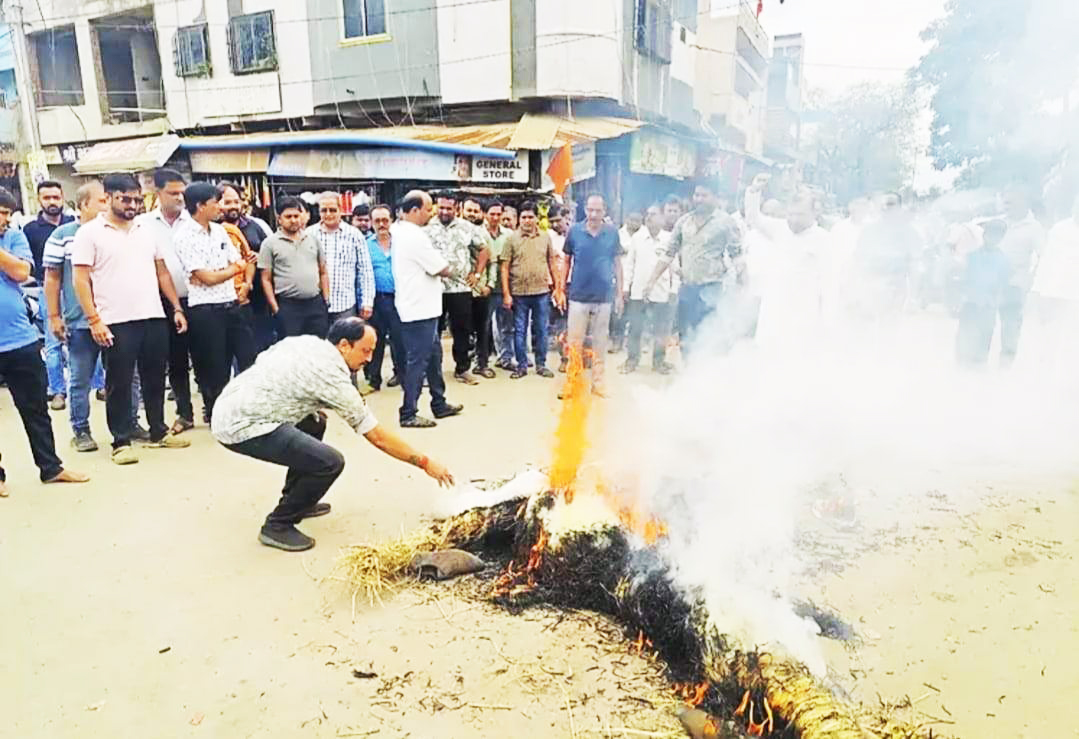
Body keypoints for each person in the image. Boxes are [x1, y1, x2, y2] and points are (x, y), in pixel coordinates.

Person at [211, 317, 455, 551]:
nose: (369, 359)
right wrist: (425, 462)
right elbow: (377, 437)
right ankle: (278, 524)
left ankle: (298, 500)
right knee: (330, 462)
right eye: (365, 351)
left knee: (314, 423)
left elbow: (269, 362)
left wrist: (309, 405)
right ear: (344, 345)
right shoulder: (334, 379)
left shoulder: (308, 342)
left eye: (372, 352)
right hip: (241, 425)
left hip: (231, 404)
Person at [71, 173, 192, 465]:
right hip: (115, 320)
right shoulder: (89, 233)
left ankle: (158, 431)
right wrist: (94, 319)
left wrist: (175, 307)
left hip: (152, 315)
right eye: (125, 199)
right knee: (119, 383)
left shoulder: (145, 230)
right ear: (109, 197)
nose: (132, 205)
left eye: (137, 199)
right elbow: (81, 279)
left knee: (154, 377)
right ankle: (120, 440)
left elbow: (161, 271)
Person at [0, 186, 89, 496]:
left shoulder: (13, 238)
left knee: (36, 408)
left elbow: (22, 272)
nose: (4, 220)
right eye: (0, 214)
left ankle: (51, 468)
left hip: (20, 339)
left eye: (7, 215)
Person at [172, 182, 258, 422]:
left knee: (247, 357)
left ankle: (246, 409)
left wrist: (229, 270)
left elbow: (237, 260)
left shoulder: (220, 230)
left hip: (231, 303)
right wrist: (232, 269)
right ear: (200, 206)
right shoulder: (184, 236)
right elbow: (207, 278)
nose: (220, 207)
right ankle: (217, 414)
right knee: (214, 366)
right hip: (205, 310)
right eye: (215, 202)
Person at [42, 180, 110, 451]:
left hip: (114, 317)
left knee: (125, 376)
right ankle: (80, 430)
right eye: (102, 200)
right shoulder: (62, 235)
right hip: (79, 321)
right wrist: (54, 316)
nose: (107, 205)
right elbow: (52, 278)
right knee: (80, 379)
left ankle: (128, 424)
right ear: (83, 205)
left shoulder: (112, 232)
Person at [646, 184, 744, 361]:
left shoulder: (725, 222)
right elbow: (669, 254)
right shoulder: (684, 221)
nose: (698, 199)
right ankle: (688, 374)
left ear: (715, 197)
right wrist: (651, 281)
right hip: (687, 289)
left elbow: (737, 255)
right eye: (696, 195)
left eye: (703, 195)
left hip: (711, 289)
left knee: (708, 334)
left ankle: (706, 375)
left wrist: (743, 281)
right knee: (685, 334)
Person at [393, 190, 463, 428]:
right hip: (419, 308)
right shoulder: (413, 235)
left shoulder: (402, 231)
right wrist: (459, 269)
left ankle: (439, 403)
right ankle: (408, 412)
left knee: (433, 357)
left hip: (422, 306)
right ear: (414, 210)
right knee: (418, 361)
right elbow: (439, 267)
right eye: (428, 209)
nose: (431, 213)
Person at [138, 168, 196, 431]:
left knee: (206, 358)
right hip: (163, 302)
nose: (179, 198)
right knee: (176, 360)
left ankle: (213, 408)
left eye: (182, 192)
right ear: (158, 193)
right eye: (173, 193)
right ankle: (184, 413)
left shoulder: (194, 220)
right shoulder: (143, 225)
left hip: (198, 298)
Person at [560, 194, 622, 396]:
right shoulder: (575, 231)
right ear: (585, 210)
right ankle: (572, 382)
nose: (593, 214)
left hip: (604, 298)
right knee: (574, 344)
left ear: (604, 211)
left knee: (600, 343)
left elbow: (617, 265)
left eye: (598, 210)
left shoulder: (612, 233)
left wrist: (620, 293)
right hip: (578, 296)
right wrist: (560, 288)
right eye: (590, 210)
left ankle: (598, 383)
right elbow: (566, 261)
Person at [425, 194, 489, 385]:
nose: (445, 211)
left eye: (449, 208)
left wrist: (476, 275)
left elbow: (484, 250)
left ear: (457, 208)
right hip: (433, 287)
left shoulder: (467, 227)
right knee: (432, 330)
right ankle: (431, 372)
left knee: (462, 330)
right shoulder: (426, 227)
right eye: (441, 207)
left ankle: (462, 369)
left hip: (460, 288)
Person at [24, 179, 75, 410]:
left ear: (62, 197)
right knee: (53, 340)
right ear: (39, 200)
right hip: (48, 289)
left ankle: (99, 385)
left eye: (56, 197)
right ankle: (57, 391)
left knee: (84, 336)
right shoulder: (30, 230)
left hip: (76, 287)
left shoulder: (73, 223)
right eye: (47, 198)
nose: (52, 202)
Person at [501, 200, 562, 380]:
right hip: (519, 293)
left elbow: (552, 262)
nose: (527, 221)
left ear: (537, 219)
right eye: (524, 217)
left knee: (542, 329)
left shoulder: (545, 237)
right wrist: (506, 294)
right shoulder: (511, 239)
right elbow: (504, 267)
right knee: (519, 330)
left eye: (531, 217)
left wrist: (558, 288)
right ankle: (521, 365)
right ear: (519, 219)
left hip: (542, 291)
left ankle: (541, 365)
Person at [259, 196, 330, 339]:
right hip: (288, 307)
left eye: (296, 216)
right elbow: (265, 279)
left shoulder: (312, 239)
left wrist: (325, 300)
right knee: (291, 352)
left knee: (317, 349)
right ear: (279, 219)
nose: (293, 220)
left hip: (315, 305)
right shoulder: (269, 243)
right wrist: (275, 308)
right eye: (288, 216)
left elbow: (323, 271)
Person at [220, 182, 275, 351]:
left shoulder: (256, 226)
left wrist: (260, 257)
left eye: (236, 201)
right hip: (226, 298)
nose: (233, 206)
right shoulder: (213, 229)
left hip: (257, 298)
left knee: (259, 345)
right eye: (227, 202)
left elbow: (274, 252)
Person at [995, 187, 1046, 366]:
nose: (1005, 206)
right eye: (1005, 202)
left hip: (1014, 285)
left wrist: (1032, 279)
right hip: (990, 283)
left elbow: (1042, 256)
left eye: (1009, 203)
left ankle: (1005, 366)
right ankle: (975, 364)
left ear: (1023, 203)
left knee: (1010, 326)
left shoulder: (1034, 228)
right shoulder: (1000, 223)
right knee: (982, 323)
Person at [621, 205, 675, 374]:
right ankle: (632, 361)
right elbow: (629, 265)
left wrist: (673, 289)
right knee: (635, 327)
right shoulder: (637, 237)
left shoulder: (670, 239)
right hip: (638, 290)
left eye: (654, 214)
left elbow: (675, 266)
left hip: (661, 291)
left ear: (662, 218)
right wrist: (625, 287)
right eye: (648, 214)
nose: (649, 217)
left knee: (661, 330)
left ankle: (658, 362)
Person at [309, 192, 375, 328]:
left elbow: (365, 270)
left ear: (341, 210)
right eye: (324, 210)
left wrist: (367, 302)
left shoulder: (354, 235)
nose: (328, 214)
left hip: (345, 305)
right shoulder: (309, 234)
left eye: (333, 210)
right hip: (316, 305)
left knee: (344, 345)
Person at [1030, 193, 1079, 371]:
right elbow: (1046, 263)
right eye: (1077, 203)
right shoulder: (1059, 230)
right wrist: (1039, 291)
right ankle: (1047, 373)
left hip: (1076, 299)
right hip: (1054, 293)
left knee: (1073, 342)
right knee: (1050, 338)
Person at [955, 219, 1011, 366]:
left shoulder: (1003, 260)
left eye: (996, 235)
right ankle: (961, 366)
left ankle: (978, 368)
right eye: (989, 234)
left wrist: (996, 299)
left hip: (988, 306)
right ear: (984, 234)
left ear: (1001, 238)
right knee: (964, 338)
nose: (992, 238)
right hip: (970, 303)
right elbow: (964, 279)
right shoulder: (971, 256)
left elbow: (1003, 283)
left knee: (984, 338)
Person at [365, 204, 405, 391]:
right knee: (376, 340)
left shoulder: (401, 243)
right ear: (371, 223)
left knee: (400, 338)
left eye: (385, 220)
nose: (381, 224)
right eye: (377, 221)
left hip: (399, 298)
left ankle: (402, 375)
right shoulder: (366, 244)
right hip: (376, 299)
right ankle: (374, 379)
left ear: (391, 221)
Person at [461, 197, 495, 378]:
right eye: (469, 210)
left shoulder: (484, 233)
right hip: (459, 289)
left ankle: (482, 364)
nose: (472, 214)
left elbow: (493, 262)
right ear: (462, 211)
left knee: (483, 328)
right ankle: (463, 367)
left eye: (475, 211)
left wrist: (488, 283)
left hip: (481, 289)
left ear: (481, 213)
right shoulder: (455, 229)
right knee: (461, 329)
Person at [481, 199, 515, 372]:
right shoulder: (479, 233)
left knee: (507, 325)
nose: (495, 217)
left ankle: (506, 358)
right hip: (484, 287)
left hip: (505, 287)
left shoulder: (509, 235)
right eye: (492, 214)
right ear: (485, 214)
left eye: (498, 214)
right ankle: (482, 362)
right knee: (483, 326)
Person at [610, 211, 642, 354]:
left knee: (636, 313)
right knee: (619, 312)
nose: (635, 223)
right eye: (632, 219)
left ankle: (635, 344)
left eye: (638, 220)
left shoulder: (644, 235)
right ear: (626, 219)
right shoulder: (617, 234)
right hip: (620, 277)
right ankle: (617, 341)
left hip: (638, 278)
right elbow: (616, 252)